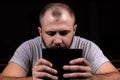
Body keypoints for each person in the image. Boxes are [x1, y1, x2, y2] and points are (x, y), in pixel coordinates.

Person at [0, 2, 120, 80]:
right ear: (40, 31)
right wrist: (33, 79)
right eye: (51, 34)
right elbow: (4, 78)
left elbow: (116, 76)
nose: (57, 41)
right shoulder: (28, 47)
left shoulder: (87, 46)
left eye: (64, 33)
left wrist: (93, 78)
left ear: (74, 30)